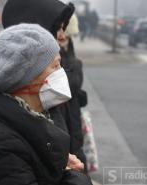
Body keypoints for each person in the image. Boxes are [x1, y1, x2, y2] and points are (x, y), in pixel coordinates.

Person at [0, 24, 92, 185]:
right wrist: (75, 177)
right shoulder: (1, 145)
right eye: (56, 66)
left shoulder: (37, 116)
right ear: (28, 78)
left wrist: (60, 168)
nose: (62, 73)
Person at [1, 0, 88, 168]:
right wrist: (74, 175)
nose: (63, 36)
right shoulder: (6, 136)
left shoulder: (43, 103)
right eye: (58, 28)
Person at [58, 14, 88, 171]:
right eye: (61, 38)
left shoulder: (72, 59)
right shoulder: (56, 59)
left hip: (72, 117)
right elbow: (68, 85)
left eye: (67, 38)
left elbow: (74, 86)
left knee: (77, 159)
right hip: (63, 119)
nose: (63, 40)